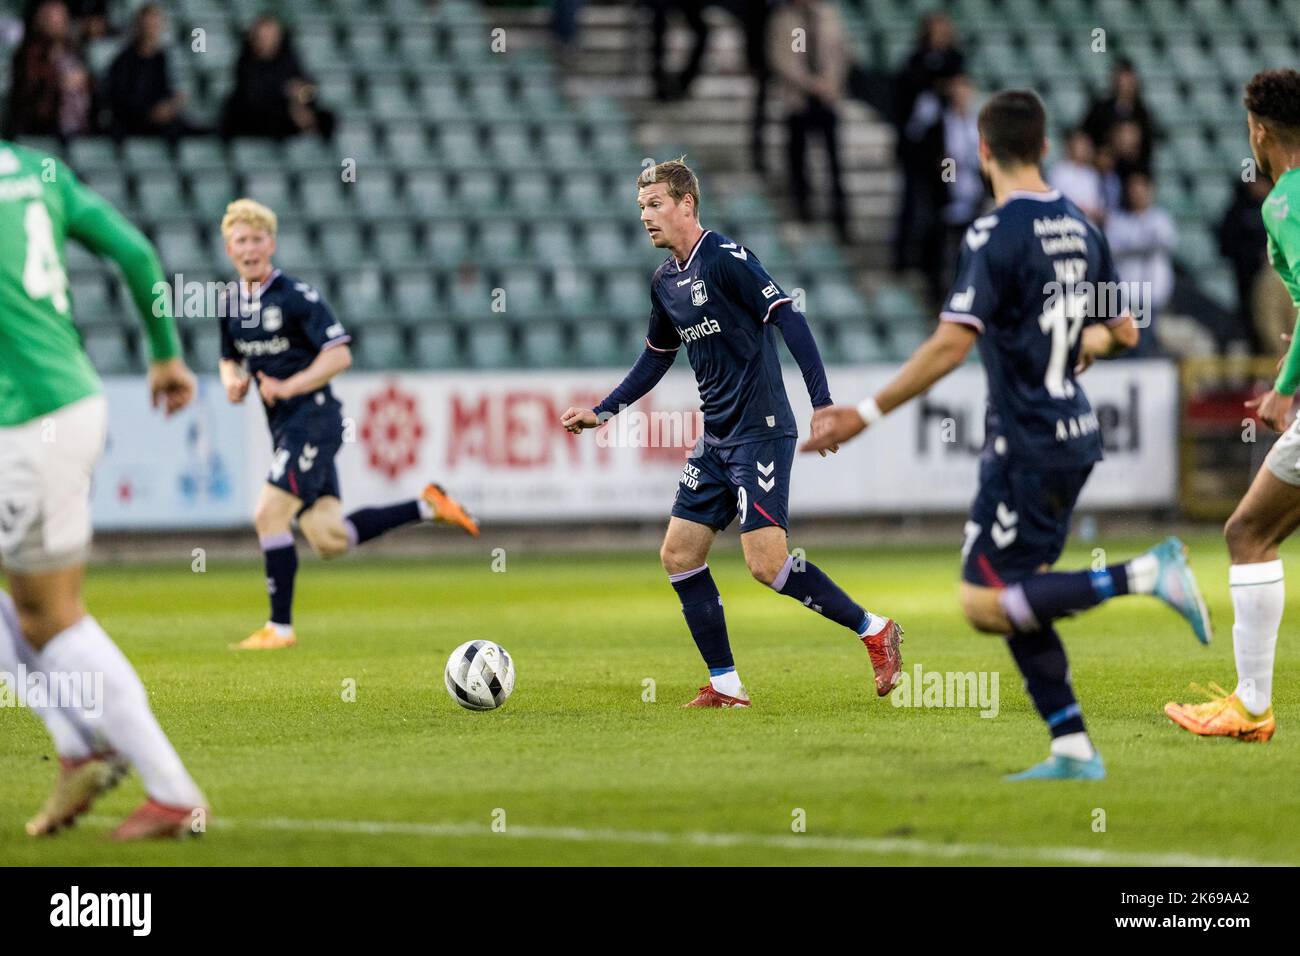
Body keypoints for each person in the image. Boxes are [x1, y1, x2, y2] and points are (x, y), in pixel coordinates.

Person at [802, 91, 1212, 780]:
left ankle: (1145, 572)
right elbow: (1126, 330)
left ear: (982, 151)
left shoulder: (994, 234)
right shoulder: (1083, 226)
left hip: (1027, 443)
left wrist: (862, 413)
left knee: (982, 601)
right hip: (1073, 433)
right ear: (1045, 146)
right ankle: (1073, 746)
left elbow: (950, 345)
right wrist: (1085, 344)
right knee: (1019, 592)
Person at [560, 158, 903, 707]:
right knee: (679, 555)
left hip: (762, 431)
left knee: (766, 564)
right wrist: (604, 411)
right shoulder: (666, 282)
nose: (646, 217)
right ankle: (727, 686)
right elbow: (655, 358)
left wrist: (823, 404)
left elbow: (790, 318)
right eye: (641, 208)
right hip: (717, 437)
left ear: (686, 204)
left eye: (655, 205)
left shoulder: (725, 259)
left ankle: (873, 629)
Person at [0, 137, 208, 839]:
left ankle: (167, 789)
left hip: (28, 424)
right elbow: (140, 256)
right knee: (34, 612)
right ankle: (79, 748)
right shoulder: (36, 170)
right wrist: (165, 356)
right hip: (71, 404)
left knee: (54, 618)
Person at [215, 200, 479, 651]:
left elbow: (339, 354)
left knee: (268, 514)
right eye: (241, 240)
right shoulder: (230, 304)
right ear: (229, 248)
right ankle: (427, 506)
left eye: (258, 239)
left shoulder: (297, 296)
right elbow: (228, 358)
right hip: (285, 427)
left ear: (271, 244)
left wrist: (292, 385)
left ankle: (279, 628)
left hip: (314, 420)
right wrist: (232, 383)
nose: (250, 248)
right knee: (329, 538)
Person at [1165, 69, 1300, 743]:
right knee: (1255, 532)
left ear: (1259, 131)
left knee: (1247, 534)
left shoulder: (1284, 203)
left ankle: (1252, 706)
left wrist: (1282, 389)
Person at [768, 0, 850, 240]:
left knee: (833, 160)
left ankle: (840, 215)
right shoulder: (783, 20)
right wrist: (808, 83)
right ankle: (803, 207)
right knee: (798, 158)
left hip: (827, 98)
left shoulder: (829, 16)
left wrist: (831, 83)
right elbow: (780, 58)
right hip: (798, 100)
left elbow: (841, 53)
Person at [219, 14, 334, 140]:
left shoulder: (289, 57)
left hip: (290, 110)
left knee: (326, 118)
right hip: (260, 113)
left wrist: (299, 98)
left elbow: (308, 87)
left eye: (272, 35)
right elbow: (252, 93)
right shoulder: (245, 60)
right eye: (264, 35)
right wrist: (287, 94)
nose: (268, 39)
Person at [1105, 171, 1177, 356]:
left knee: (1145, 349)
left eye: (1140, 187)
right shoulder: (1118, 221)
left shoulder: (1161, 219)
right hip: (1126, 297)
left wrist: (1132, 246)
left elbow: (1165, 243)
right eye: (1132, 188)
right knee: (1124, 348)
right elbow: (1111, 250)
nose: (1136, 193)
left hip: (1151, 297)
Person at [3, 0, 94, 140]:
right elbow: (26, 92)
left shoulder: (75, 52)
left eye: (60, 17)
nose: (56, 23)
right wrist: (58, 82)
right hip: (38, 133)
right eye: (51, 18)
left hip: (77, 132)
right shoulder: (27, 55)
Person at [105, 3, 192, 139]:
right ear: (139, 27)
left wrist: (172, 104)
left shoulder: (161, 58)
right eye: (148, 24)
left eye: (156, 24)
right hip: (134, 122)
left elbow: (165, 89)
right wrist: (151, 113)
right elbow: (120, 98)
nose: (152, 29)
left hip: (160, 118)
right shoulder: (124, 61)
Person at [1048, 128, 1106, 226]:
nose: (1083, 149)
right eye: (1079, 144)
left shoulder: (1092, 174)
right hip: (1064, 223)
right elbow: (1054, 201)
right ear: (1070, 145)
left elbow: (1098, 204)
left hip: (1089, 224)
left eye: (1086, 145)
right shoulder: (1058, 171)